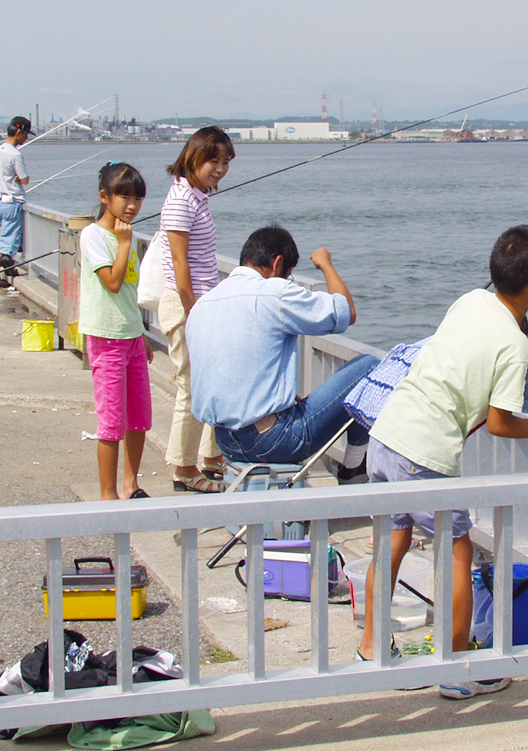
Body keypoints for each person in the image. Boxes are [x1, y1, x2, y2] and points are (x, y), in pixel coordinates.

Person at [355, 224, 528, 701]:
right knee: (456, 552)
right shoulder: (516, 347)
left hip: (387, 434)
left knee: (392, 537)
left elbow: (473, 356)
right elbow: (502, 424)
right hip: (425, 454)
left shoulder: (471, 300)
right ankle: (456, 669)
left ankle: (372, 650)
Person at [187, 224, 380, 470]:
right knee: (369, 367)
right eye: (288, 274)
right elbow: (345, 312)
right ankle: (354, 468)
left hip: (225, 441)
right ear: (277, 263)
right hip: (274, 441)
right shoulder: (274, 293)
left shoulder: (203, 304)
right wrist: (325, 264)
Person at [158, 126, 234, 493]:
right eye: (213, 160)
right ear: (194, 157)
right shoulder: (179, 200)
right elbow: (179, 264)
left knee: (211, 383)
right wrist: (194, 314)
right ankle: (183, 468)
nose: (219, 169)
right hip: (186, 304)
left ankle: (211, 457)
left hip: (202, 303)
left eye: (225, 162)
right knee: (190, 387)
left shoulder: (197, 196)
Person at [79, 162, 153, 501]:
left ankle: (131, 483)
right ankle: (107, 496)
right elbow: (111, 282)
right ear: (104, 197)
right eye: (124, 197)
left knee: (138, 418)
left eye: (137, 198)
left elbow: (129, 294)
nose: (132, 205)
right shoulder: (94, 235)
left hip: (131, 335)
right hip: (106, 337)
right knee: (111, 422)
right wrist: (124, 245)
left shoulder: (128, 235)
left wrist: (141, 335)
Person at [0, 116, 31, 288]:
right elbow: (25, 179)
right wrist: (22, 179)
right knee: (5, 243)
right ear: (19, 132)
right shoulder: (16, 155)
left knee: (7, 239)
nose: (26, 138)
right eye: (26, 134)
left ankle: (8, 266)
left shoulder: (0, 150)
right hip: (13, 202)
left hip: (2, 202)